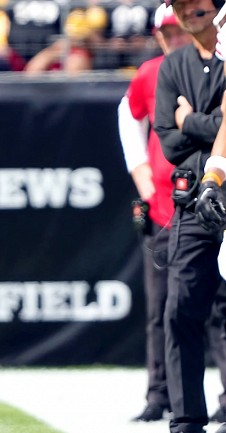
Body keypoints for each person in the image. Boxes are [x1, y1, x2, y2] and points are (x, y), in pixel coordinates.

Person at [154, 0, 226, 431]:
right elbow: (168, 142)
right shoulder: (173, 65)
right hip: (194, 203)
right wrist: (208, 123)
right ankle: (186, 419)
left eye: (195, 0)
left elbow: (196, 131)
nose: (188, 9)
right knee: (180, 307)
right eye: (178, 4)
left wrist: (190, 120)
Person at [118, 3, 192, 422]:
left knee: (217, 309)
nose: (173, 37)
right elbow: (127, 118)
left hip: (207, 202)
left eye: (178, 29)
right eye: (166, 32)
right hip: (164, 206)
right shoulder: (150, 73)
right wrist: (141, 177)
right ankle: (159, 396)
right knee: (161, 310)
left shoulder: (212, 69)